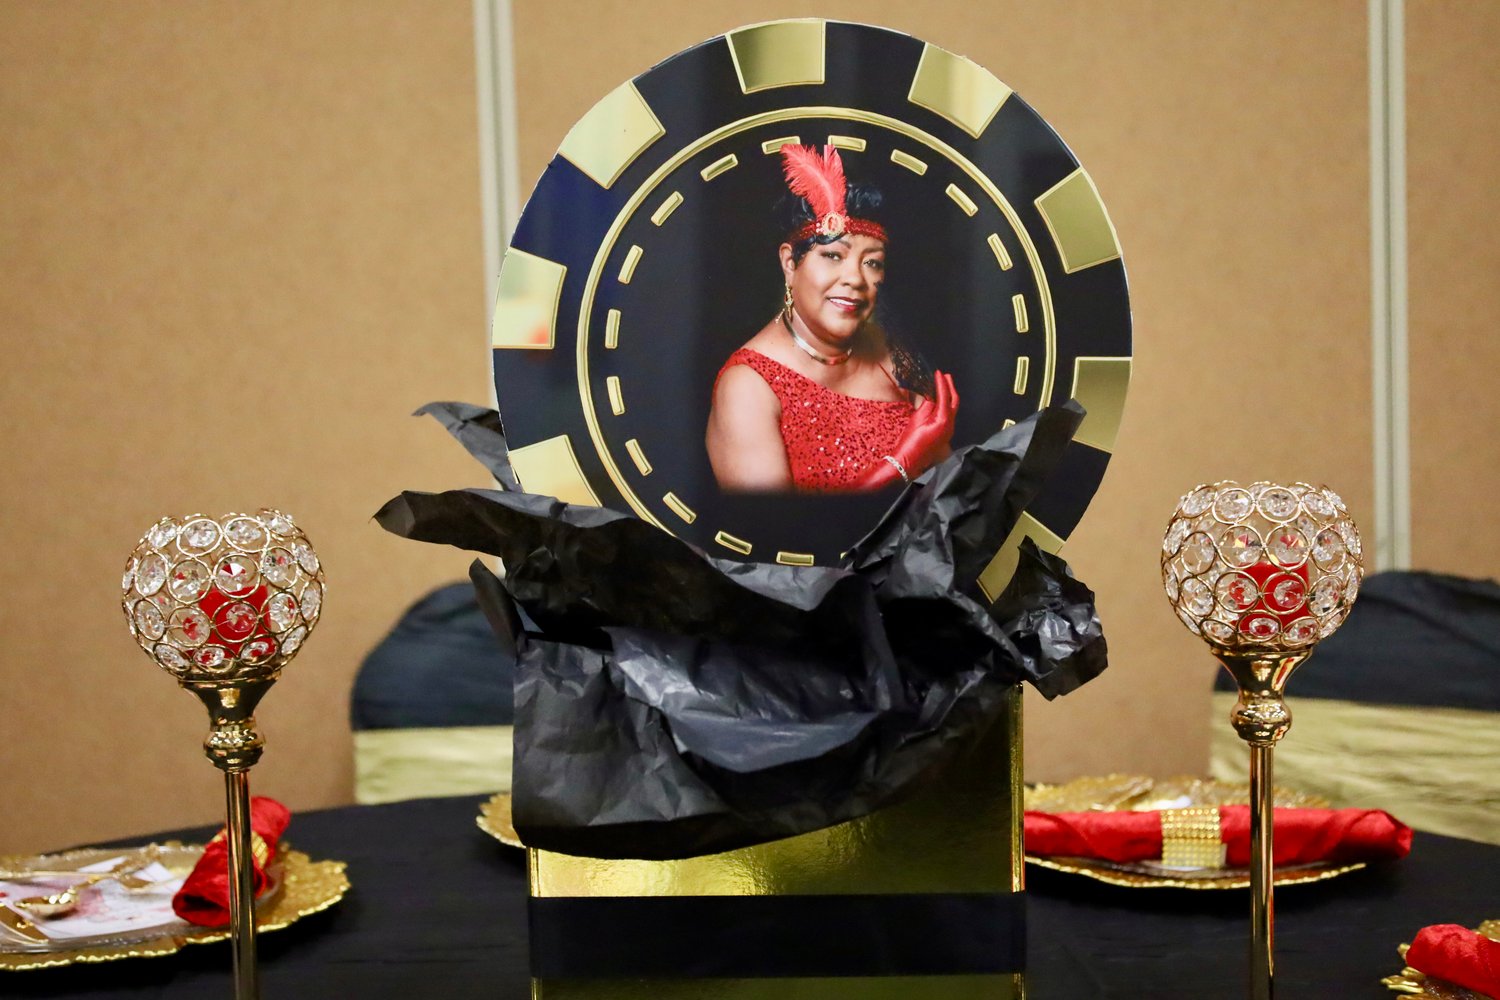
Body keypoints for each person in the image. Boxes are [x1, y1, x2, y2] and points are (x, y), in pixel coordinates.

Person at [706, 145, 959, 493]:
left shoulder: (891, 350)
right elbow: (770, 525)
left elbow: (953, 495)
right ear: (790, 264)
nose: (855, 278)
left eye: (872, 262)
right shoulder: (747, 387)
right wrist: (904, 461)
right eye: (833, 256)